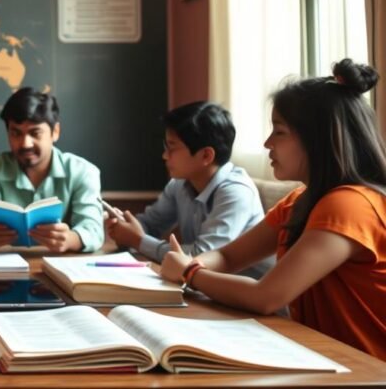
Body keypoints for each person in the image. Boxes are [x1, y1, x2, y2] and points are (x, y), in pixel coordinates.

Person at [154, 60, 386, 360]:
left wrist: (190, 272)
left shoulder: (349, 205)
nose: (267, 143)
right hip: (322, 356)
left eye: (279, 132)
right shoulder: (299, 201)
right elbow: (227, 256)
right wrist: (190, 264)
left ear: (318, 138)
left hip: (368, 368)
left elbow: (266, 297)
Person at [106, 101, 270, 278]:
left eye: (172, 148)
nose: (164, 155)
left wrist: (138, 240)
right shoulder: (180, 184)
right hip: (204, 290)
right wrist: (124, 227)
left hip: (242, 294)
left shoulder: (236, 192)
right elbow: (150, 224)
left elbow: (201, 257)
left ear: (206, 155)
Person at [0, 87, 104, 252]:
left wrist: (70, 239)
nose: (25, 144)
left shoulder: (83, 172)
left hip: (64, 267)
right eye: (16, 133)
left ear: (55, 132)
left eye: (35, 133)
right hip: (6, 268)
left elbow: (94, 230)